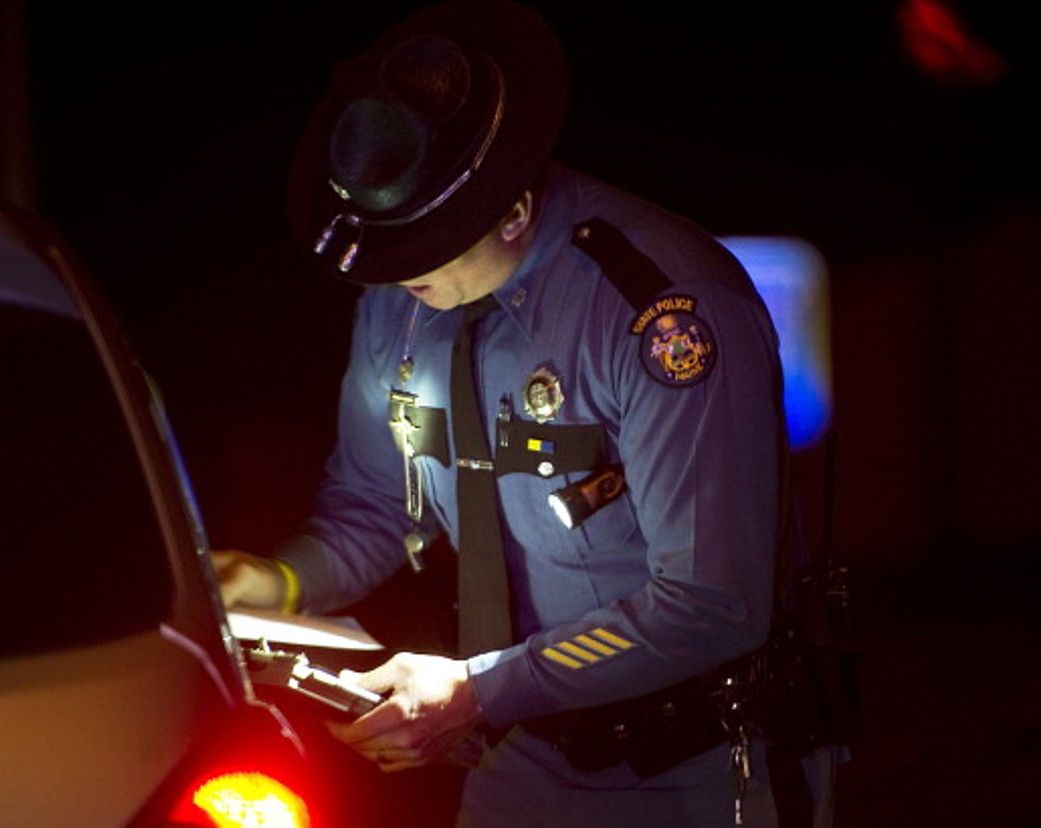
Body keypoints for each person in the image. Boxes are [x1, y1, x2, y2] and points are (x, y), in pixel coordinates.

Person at [215, 1, 800, 824]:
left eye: (420, 254)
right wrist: (277, 581)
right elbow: (377, 504)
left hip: (693, 767)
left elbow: (711, 602)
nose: (395, 282)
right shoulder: (397, 298)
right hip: (519, 756)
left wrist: (476, 687)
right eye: (385, 253)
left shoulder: (658, 310)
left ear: (513, 211)